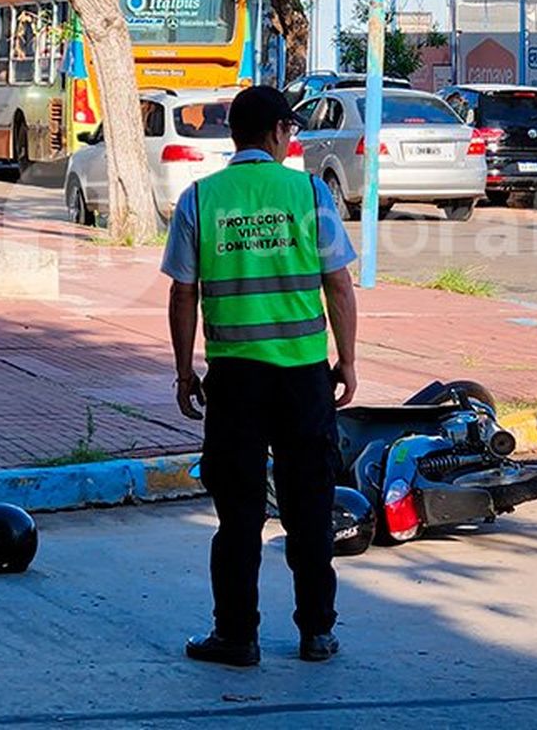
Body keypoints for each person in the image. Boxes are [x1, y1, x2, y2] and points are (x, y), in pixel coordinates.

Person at [161, 84, 359, 666]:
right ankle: (316, 632)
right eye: (290, 130)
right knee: (309, 509)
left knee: (239, 514)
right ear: (276, 132)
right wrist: (346, 361)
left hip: (235, 383)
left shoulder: (201, 199)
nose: (291, 138)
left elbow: (183, 293)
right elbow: (339, 285)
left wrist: (182, 372)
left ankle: (236, 636)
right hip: (303, 379)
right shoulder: (308, 193)